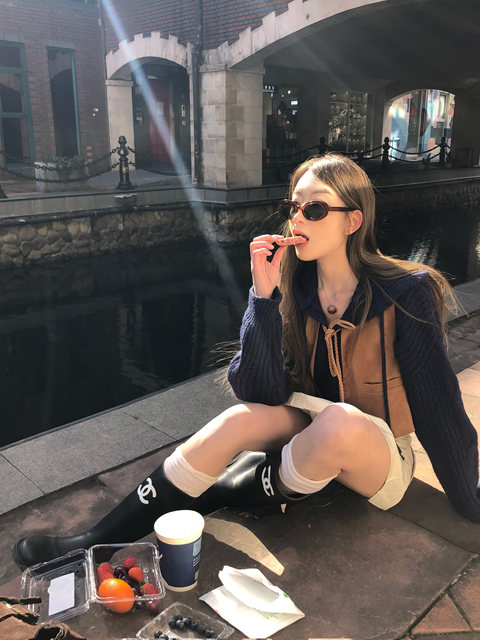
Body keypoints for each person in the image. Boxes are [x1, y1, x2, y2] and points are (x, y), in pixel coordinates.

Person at [14, 153, 480, 569]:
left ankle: (224, 490)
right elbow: (260, 393)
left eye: (315, 209)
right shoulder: (294, 287)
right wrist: (263, 296)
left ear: (352, 221)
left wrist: (468, 499)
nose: (297, 219)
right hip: (311, 431)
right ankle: (97, 542)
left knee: (339, 423)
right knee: (238, 419)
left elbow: (439, 406)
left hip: (377, 452)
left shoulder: (406, 292)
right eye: (292, 207)